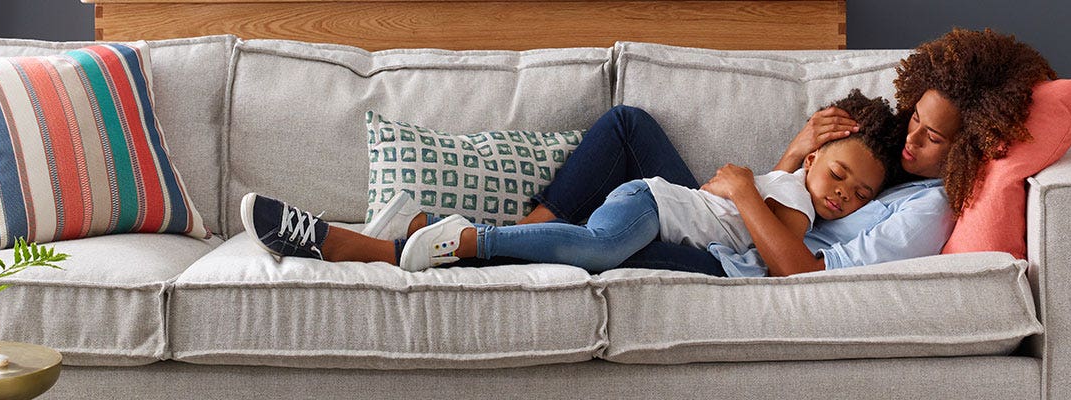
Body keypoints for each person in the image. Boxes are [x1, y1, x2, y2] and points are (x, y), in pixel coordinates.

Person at [239, 90, 904, 277]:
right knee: (592, 249)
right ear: (815, 157)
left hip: (687, 239)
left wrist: (768, 173)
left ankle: (396, 238)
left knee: (581, 251)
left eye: (862, 194)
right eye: (837, 173)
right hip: (660, 210)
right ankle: (456, 240)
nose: (844, 196)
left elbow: (767, 213)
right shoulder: (790, 203)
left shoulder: (793, 190)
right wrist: (758, 182)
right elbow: (792, 266)